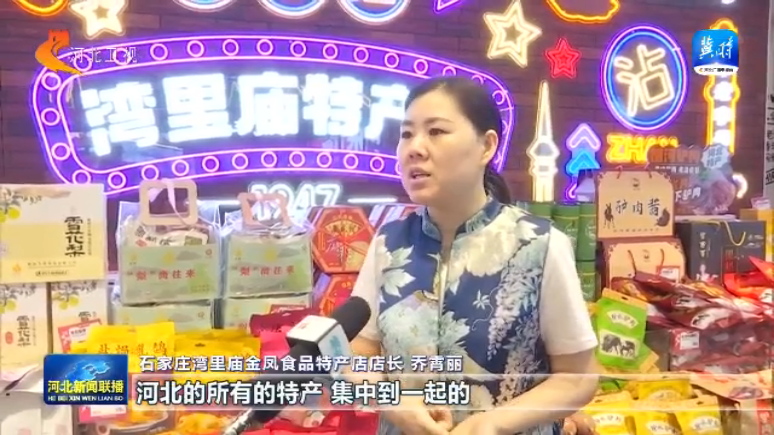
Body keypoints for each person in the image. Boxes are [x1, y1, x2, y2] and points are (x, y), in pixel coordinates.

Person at [348, 77, 599, 435]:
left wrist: (493, 423)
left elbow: (578, 379)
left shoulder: (541, 244)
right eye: (406, 134)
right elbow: (358, 354)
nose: (414, 148)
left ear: (487, 146)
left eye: (436, 131)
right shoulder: (388, 243)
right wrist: (394, 400)